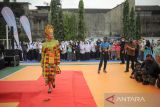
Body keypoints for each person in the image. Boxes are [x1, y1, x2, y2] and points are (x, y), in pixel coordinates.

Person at [41, 24, 61, 93]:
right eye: (50, 34)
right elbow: (43, 54)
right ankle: (49, 88)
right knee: (48, 75)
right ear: (47, 35)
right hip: (46, 61)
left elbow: (58, 52)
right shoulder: (44, 44)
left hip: (53, 60)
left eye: (52, 33)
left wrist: (58, 60)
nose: (52, 35)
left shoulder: (56, 42)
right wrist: (42, 62)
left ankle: (53, 81)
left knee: (53, 74)